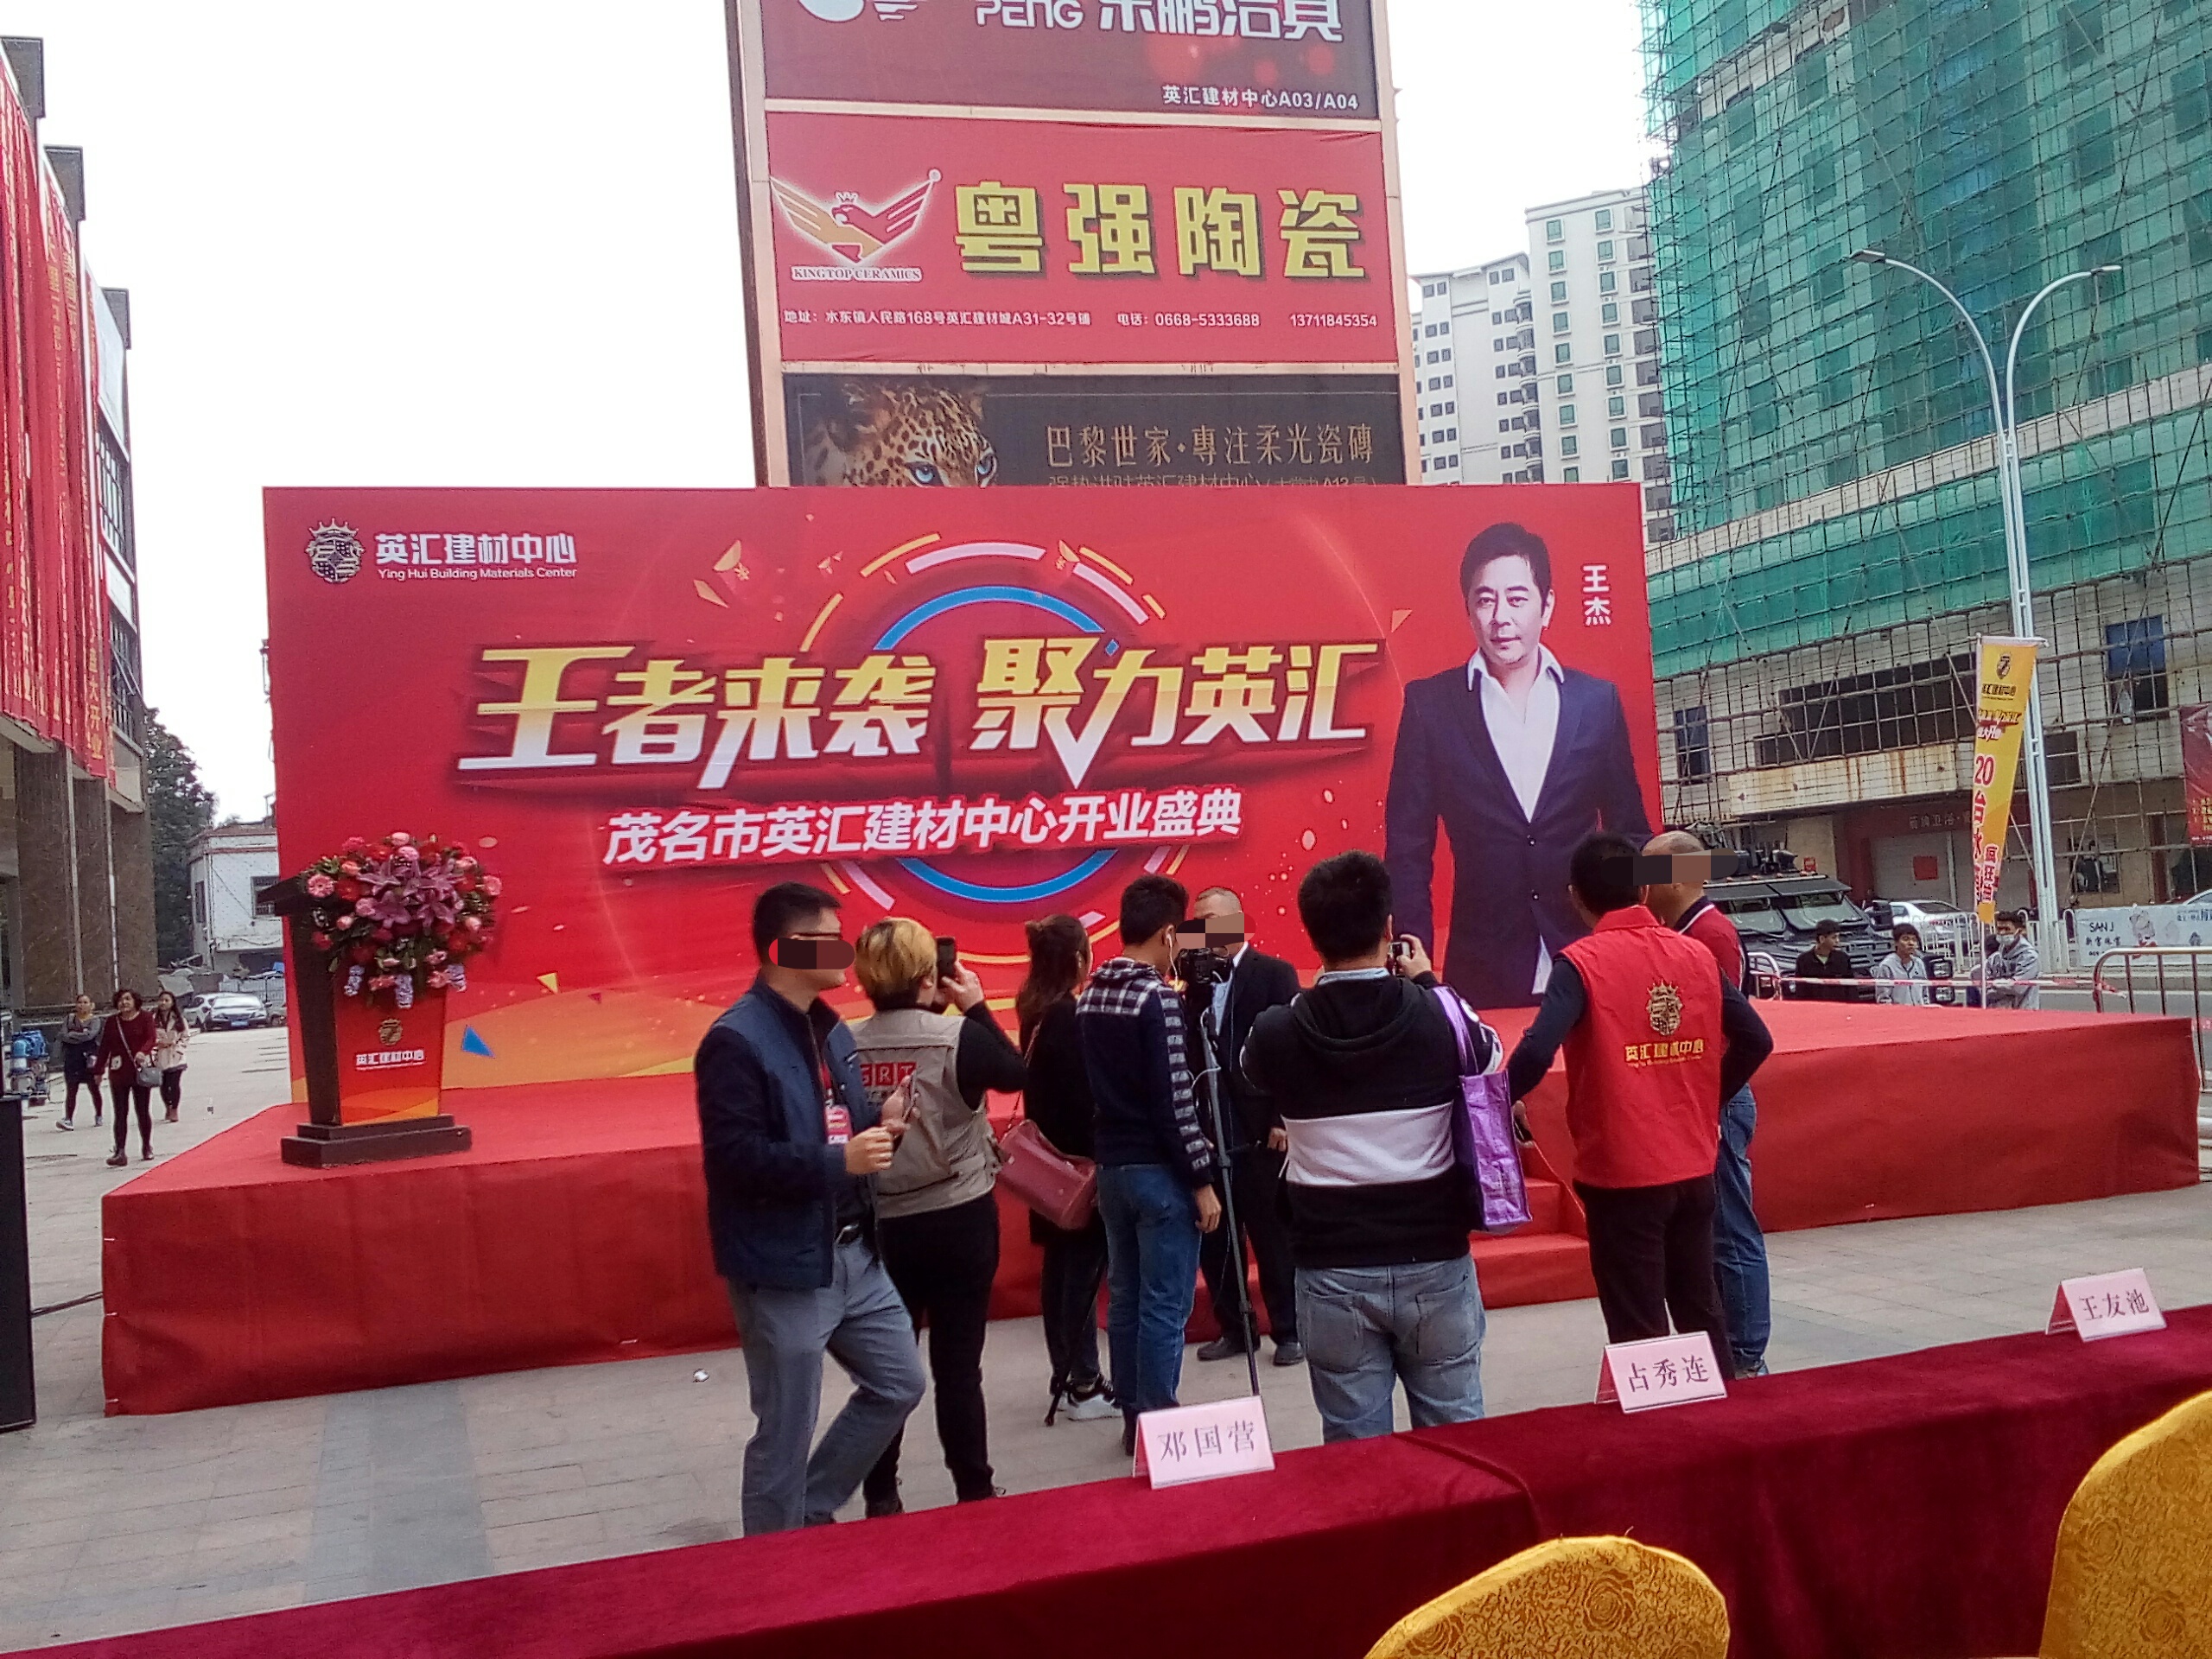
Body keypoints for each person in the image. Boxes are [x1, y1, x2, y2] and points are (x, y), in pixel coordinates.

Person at [1240, 851, 1498, 1442]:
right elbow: (1488, 1057)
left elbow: (1250, 1073)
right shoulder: (1438, 1015)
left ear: (1310, 932)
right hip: (1434, 1260)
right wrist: (1428, 981)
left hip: (1331, 1269)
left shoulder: (1276, 1030)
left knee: (1356, 1451)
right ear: (1388, 929)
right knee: (1459, 1437)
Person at [693, 881, 926, 1535]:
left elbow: (836, 1124)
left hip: (855, 1251)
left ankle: (811, 1509)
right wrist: (838, 1162)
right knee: (785, 1428)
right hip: (785, 1264)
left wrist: (881, 1123)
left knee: (900, 1383)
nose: (845, 953)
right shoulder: (736, 1041)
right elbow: (734, 1160)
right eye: (830, 940)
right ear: (787, 948)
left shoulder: (831, 1029)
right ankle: (774, 1561)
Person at [1506, 834, 1773, 1354]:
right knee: (1700, 1307)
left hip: (1622, 1174)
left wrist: (1494, 1102)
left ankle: (1658, 1407)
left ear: (1575, 896)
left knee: (1638, 1324)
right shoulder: (1694, 954)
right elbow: (1756, 1040)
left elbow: (1537, 1049)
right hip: (1693, 1165)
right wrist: (1708, 1100)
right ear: (1643, 891)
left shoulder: (1580, 963)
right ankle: (1724, 1400)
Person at [1385, 522, 1652, 1011]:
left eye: (1517, 599)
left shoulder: (1596, 702)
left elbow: (1630, 830)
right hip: (1481, 965)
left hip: (1591, 959)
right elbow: (1408, 850)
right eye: (1485, 600)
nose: (1500, 618)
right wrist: (1414, 965)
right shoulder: (1431, 706)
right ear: (1468, 609)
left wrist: (1635, 942)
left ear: (1547, 606)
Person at [850, 918, 1027, 1517]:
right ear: (929, 976)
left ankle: (881, 1494)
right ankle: (973, 1489)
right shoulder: (957, 1037)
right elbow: (1017, 1073)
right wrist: (974, 1006)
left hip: (883, 1222)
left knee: (886, 1372)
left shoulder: (843, 1041)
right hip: (958, 1216)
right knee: (958, 1369)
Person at [1077, 874, 1221, 1454]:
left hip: (1113, 1168)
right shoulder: (1156, 998)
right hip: (1160, 1171)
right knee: (1166, 1305)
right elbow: (1176, 1102)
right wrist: (1202, 1178)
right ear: (1167, 934)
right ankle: (1160, 1426)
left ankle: (1134, 1420)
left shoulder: (1091, 993)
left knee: (1128, 1301)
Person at [1641, 830, 1770, 1378]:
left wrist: (1707, 1101)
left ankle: (1745, 1353)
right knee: (1713, 1232)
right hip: (1706, 1095)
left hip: (1717, 1096)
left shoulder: (1709, 935)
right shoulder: (1687, 932)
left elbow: (1718, 1030)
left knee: (1731, 1232)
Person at [1185, 885, 1304, 1369]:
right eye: (1196, 923)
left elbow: (1293, 1051)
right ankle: (1236, 1328)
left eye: (1211, 921)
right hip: (1208, 1126)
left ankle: (1290, 1330)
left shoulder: (1274, 974)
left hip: (1259, 1126)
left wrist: (1282, 1117)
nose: (1202, 931)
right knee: (1216, 1237)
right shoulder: (1192, 982)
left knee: (1271, 1234)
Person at [1015, 915, 1117, 1426]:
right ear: (1078, 959)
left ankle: (1067, 1374)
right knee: (1078, 1274)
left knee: (1060, 1271)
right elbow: (1082, 1101)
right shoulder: (1066, 1016)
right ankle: (1082, 1381)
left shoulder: (1035, 1009)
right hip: (1075, 1169)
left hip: (1048, 1165)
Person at [96, 989, 157, 1167]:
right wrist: (98, 1070)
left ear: (135, 1001)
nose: (124, 1003)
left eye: (128, 999)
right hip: (118, 1073)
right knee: (120, 1113)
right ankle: (120, 1151)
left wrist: (143, 1052)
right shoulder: (112, 1022)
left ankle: (146, 1146)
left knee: (142, 1110)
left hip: (139, 1071)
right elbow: (104, 1047)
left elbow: (151, 1038)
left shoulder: (145, 1017)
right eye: (121, 1000)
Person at [57, 993, 102, 1131]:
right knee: (71, 1089)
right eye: (80, 1002)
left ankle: (99, 1114)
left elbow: (90, 1035)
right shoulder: (69, 1019)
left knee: (94, 1088)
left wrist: (72, 1035)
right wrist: (78, 1036)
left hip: (88, 1058)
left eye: (85, 1002)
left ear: (91, 1005)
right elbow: (63, 1035)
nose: (82, 1005)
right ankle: (68, 1119)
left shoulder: (95, 1020)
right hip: (72, 1059)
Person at [1980, 910, 2041, 1009]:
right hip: (1999, 1012)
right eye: (1999, 929)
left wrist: (1994, 985)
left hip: (2024, 1012)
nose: (2002, 933)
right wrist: (2003, 985)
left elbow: (2017, 988)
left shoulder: (2030, 957)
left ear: (2019, 931)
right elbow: (1984, 985)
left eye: (2007, 929)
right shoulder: (1995, 957)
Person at [1789, 920, 1861, 1001]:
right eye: (1834, 937)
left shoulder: (1843, 959)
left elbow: (1851, 989)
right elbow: (1801, 991)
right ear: (1822, 939)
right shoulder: (1803, 961)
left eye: (1838, 937)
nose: (1837, 941)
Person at [150, 991, 191, 1122]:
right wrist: (158, 1043)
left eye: (166, 1000)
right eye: (161, 1000)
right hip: (160, 1055)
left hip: (176, 1056)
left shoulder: (179, 1019)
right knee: (164, 1085)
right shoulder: (153, 1019)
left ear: (172, 1003)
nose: (163, 1003)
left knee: (174, 1084)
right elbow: (148, 1037)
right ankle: (167, 1106)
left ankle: (174, 1109)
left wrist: (178, 1048)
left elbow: (185, 1036)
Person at [1872, 925, 1930, 1005]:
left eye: (1914, 940)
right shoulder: (1886, 966)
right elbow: (1883, 999)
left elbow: (1925, 993)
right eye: (1906, 939)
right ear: (1896, 943)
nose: (1911, 943)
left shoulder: (1919, 963)